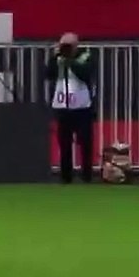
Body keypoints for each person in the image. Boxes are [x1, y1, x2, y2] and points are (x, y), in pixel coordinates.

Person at [45, 32, 96, 183]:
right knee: (64, 143)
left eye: (69, 46)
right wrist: (55, 57)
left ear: (76, 46)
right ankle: (66, 177)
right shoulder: (58, 58)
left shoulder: (85, 56)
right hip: (63, 106)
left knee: (85, 143)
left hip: (82, 106)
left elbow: (85, 74)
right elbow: (48, 74)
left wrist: (69, 61)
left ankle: (87, 176)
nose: (66, 49)